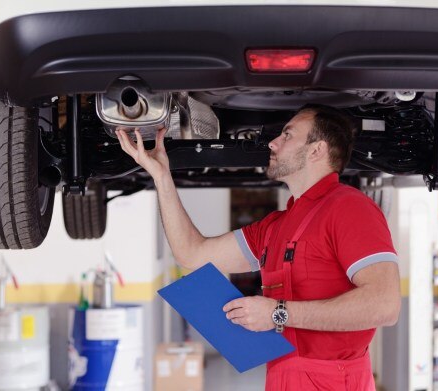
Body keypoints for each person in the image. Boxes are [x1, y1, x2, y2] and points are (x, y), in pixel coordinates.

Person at [116, 104, 400, 391]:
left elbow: (385, 305)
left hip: (334, 381)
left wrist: (278, 313)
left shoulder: (350, 208)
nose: (273, 143)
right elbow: (191, 253)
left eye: (287, 135)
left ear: (317, 150)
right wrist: (162, 177)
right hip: (281, 377)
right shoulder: (275, 226)